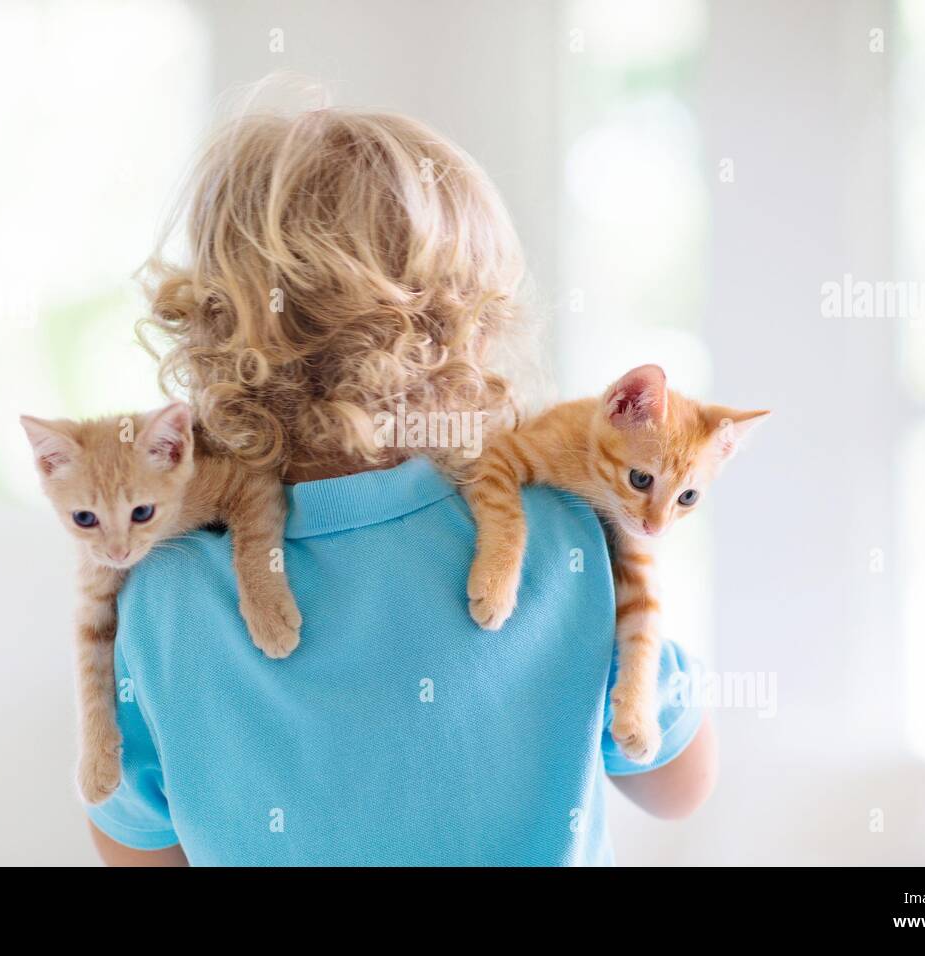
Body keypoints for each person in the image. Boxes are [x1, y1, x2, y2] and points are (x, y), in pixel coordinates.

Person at [87, 105, 716, 866]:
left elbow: (134, 852)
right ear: (471, 334)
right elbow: (680, 786)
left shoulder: (162, 592)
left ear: (213, 329)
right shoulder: (561, 533)